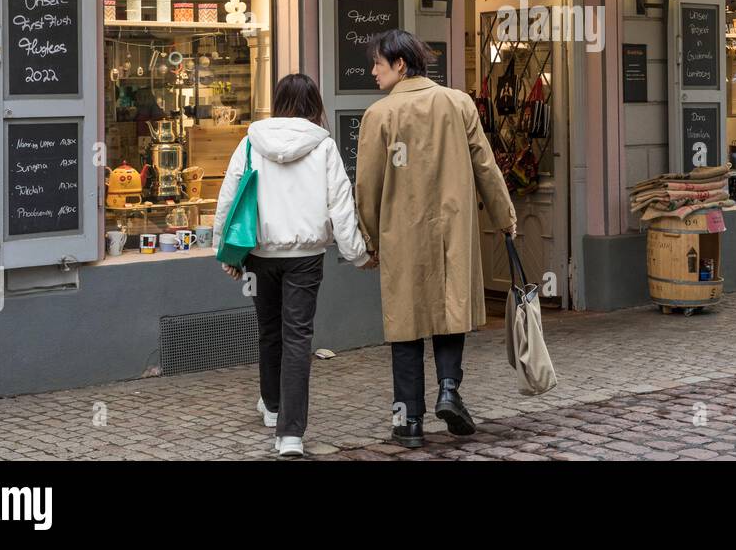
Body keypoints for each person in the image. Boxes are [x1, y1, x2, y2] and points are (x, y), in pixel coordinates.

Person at [355, 29, 517, 448]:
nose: (372, 71)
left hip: (400, 232)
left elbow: (367, 187)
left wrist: (368, 240)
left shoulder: (379, 115)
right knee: (450, 312)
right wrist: (505, 217)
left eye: (378, 63)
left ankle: (408, 421)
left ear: (400, 65)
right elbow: (486, 166)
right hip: (453, 228)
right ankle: (449, 389)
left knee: (405, 325)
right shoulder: (457, 102)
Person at [214, 73, 367, 458]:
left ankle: (272, 406)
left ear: (277, 102)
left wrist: (226, 252)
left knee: (268, 331)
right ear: (315, 104)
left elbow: (228, 197)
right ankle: (290, 435)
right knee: (297, 338)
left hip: (259, 253)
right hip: (306, 257)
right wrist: (356, 253)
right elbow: (341, 204)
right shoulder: (324, 146)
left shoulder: (252, 141)